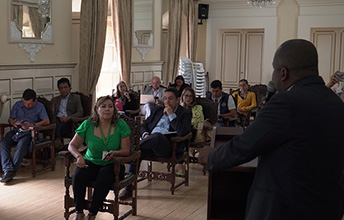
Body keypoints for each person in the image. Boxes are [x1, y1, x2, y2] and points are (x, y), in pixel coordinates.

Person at [206, 39, 344, 220]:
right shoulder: (336, 103)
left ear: (283, 73)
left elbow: (244, 145)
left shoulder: (287, 102)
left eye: (273, 69)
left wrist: (210, 157)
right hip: (327, 206)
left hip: (284, 208)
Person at [119, 87, 192, 200]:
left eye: (171, 99)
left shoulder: (185, 113)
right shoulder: (158, 110)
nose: (167, 101)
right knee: (137, 154)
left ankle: (127, 151)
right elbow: (144, 125)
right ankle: (129, 189)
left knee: (156, 137)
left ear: (178, 99)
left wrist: (172, 115)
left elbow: (183, 132)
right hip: (149, 143)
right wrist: (145, 135)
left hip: (168, 147)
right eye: (165, 98)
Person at [68, 96, 131, 220]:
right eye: (103, 106)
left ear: (114, 110)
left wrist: (116, 153)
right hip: (91, 161)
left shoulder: (120, 124)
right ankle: (79, 211)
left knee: (104, 175)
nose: (107, 109)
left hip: (113, 163)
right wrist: (78, 156)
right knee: (78, 175)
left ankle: (92, 213)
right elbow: (72, 145)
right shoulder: (88, 124)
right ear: (97, 109)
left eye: (110, 106)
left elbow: (126, 150)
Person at [0, 89, 50, 183]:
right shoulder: (18, 105)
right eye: (25, 102)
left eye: (29, 104)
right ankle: (8, 169)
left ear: (35, 101)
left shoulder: (40, 106)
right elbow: (10, 119)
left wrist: (33, 125)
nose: (27, 105)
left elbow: (47, 121)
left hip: (29, 132)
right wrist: (14, 123)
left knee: (22, 144)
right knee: (3, 143)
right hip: (17, 130)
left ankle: (10, 173)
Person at [178, 87, 204, 175]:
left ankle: (181, 164)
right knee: (180, 138)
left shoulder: (198, 108)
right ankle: (181, 160)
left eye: (190, 96)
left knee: (181, 138)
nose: (188, 98)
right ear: (182, 96)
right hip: (181, 131)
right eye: (186, 96)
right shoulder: (178, 108)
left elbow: (199, 120)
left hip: (193, 131)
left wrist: (186, 122)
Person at [52, 78, 84, 150]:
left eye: (65, 87)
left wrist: (69, 118)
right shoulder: (55, 99)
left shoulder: (76, 98)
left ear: (70, 88)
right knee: (55, 123)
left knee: (57, 126)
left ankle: (57, 140)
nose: (63, 90)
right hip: (57, 120)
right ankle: (58, 140)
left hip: (69, 121)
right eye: (61, 88)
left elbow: (80, 112)